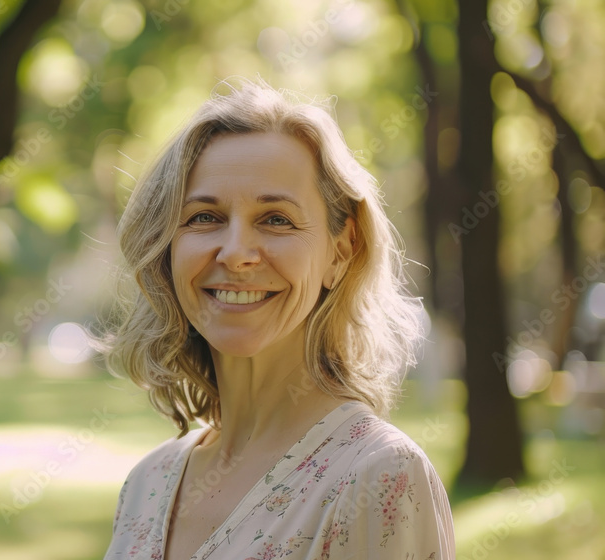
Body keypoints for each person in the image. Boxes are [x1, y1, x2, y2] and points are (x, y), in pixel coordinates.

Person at [90, 79, 455, 559]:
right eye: (204, 217)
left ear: (340, 252)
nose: (236, 252)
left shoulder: (379, 475)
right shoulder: (147, 484)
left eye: (276, 219)